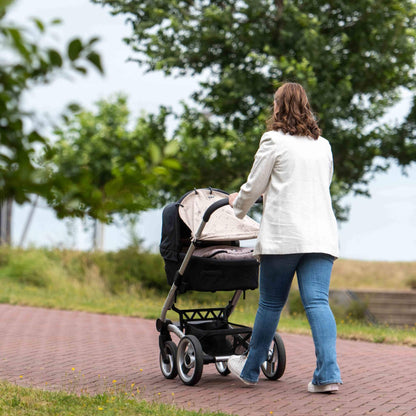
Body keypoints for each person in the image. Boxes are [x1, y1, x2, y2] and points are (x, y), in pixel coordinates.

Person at [227, 82, 342, 393]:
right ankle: (328, 375)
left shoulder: (273, 141)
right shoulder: (323, 145)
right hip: (320, 236)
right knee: (318, 302)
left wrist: (236, 205)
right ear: (306, 106)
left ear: (278, 107)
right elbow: (315, 187)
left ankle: (250, 371)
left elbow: (254, 185)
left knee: (270, 303)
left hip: (285, 236)